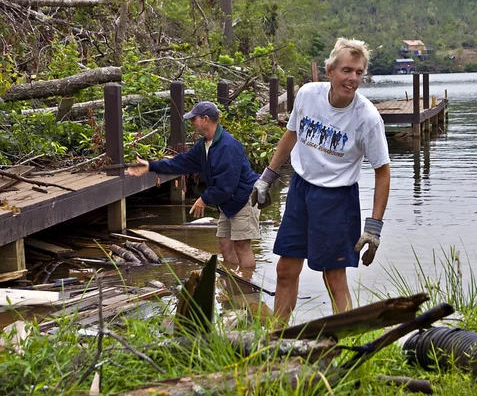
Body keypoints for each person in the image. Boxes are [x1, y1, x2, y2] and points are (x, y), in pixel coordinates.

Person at [251, 38, 391, 322]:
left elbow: (382, 171)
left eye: (359, 72)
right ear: (330, 71)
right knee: (285, 270)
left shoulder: (367, 118)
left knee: (334, 277)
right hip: (300, 191)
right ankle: (279, 339)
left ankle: (347, 344)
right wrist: (267, 177)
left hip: (337, 199)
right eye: (346, 70)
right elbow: (291, 134)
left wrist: (373, 227)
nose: (352, 79)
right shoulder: (308, 95)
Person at [127, 101, 260, 269]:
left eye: (193, 119)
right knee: (225, 244)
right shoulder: (204, 144)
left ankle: (247, 290)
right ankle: (233, 285)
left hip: (243, 198)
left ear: (205, 119)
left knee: (241, 246)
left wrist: (204, 199)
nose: (191, 123)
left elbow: (227, 185)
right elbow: (181, 163)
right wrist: (151, 166)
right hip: (228, 201)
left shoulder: (228, 146)